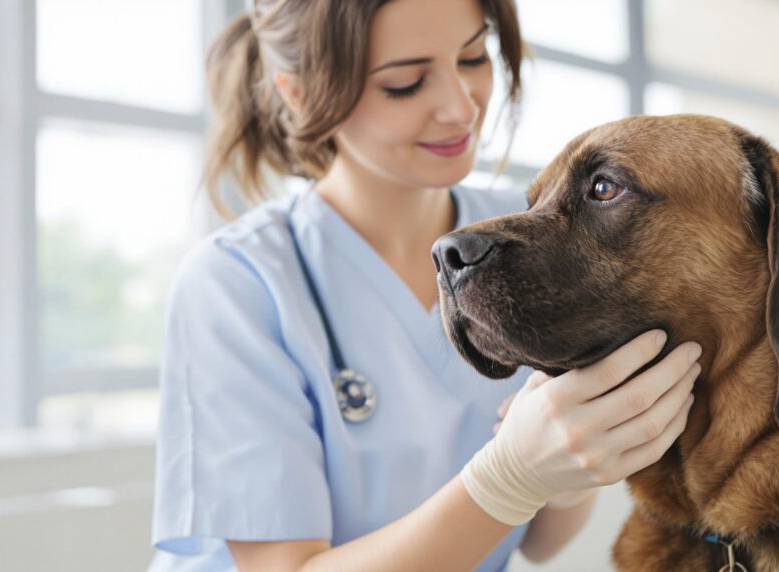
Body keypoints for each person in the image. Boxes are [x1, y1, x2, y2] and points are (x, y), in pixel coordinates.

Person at [149, 0, 701, 570]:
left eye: (472, 57)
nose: (459, 107)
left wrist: (565, 477)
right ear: (299, 93)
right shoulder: (237, 283)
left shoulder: (523, 235)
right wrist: (507, 479)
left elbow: (541, 542)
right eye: (405, 84)